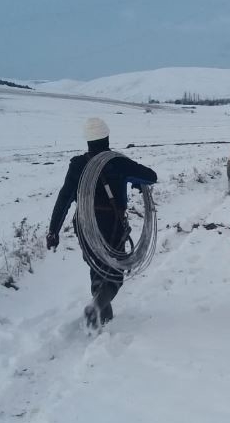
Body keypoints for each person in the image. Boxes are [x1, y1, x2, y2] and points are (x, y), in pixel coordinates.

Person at [46, 117, 157, 327]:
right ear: (107, 137)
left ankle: (102, 317)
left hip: (84, 224)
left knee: (97, 269)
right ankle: (96, 308)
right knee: (115, 274)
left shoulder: (77, 166)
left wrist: (53, 231)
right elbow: (151, 176)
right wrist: (136, 182)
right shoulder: (117, 162)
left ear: (87, 140)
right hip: (110, 225)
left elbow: (64, 199)